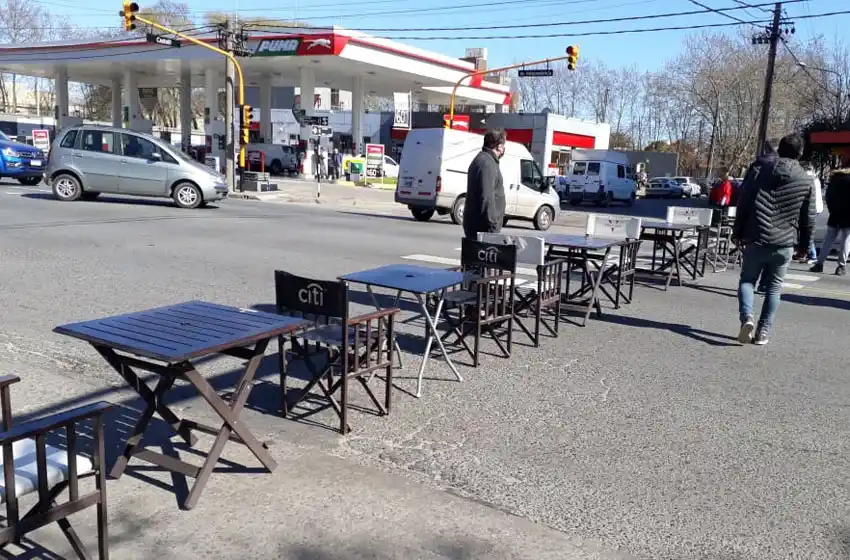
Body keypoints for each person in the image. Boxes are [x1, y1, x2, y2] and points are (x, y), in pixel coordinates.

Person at [733, 133, 815, 346]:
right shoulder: (806, 180)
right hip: (785, 241)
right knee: (774, 287)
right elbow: (808, 217)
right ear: (800, 153)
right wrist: (805, 246)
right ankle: (763, 331)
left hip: (756, 235)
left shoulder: (760, 171)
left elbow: (745, 201)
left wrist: (738, 231)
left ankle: (747, 317)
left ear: (780, 150)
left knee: (747, 281)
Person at [809, 147, 850, 275]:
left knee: (828, 239)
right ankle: (841, 266)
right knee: (846, 240)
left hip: (835, 214)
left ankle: (820, 263)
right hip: (848, 215)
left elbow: (829, 196)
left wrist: (833, 209)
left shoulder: (835, 178)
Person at [463, 129, 506, 240]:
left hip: (479, 228)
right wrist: (493, 227)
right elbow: (486, 198)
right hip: (483, 230)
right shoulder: (487, 164)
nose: (504, 148)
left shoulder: (484, 160)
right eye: (503, 145)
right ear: (499, 146)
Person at [798, 162, 823, 263]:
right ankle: (808, 253)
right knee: (808, 230)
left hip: (811, 207)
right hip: (816, 207)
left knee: (807, 230)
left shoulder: (807, 178)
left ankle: (812, 254)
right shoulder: (815, 178)